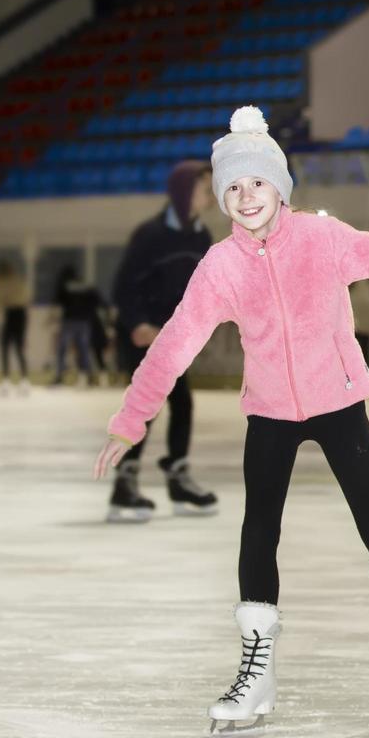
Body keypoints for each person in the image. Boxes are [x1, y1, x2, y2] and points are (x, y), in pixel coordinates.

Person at [94, 106, 369, 730]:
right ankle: (257, 668)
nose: (246, 196)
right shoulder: (220, 266)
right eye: (233, 187)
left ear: (280, 183)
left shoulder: (323, 240)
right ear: (222, 198)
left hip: (338, 401)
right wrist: (132, 418)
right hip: (271, 410)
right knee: (259, 530)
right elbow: (173, 343)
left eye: (257, 182)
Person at [106, 160, 220, 523]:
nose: (211, 195)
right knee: (147, 408)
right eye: (205, 188)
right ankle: (125, 483)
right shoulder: (151, 235)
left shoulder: (201, 237)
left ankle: (178, 478)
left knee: (182, 404)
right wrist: (138, 322)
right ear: (185, 191)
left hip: (171, 337)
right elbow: (124, 286)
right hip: (140, 336)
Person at [52, 264, 102, 387]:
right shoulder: (84, 285)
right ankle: (86, 376)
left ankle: (60, 375)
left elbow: (58, 299)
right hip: (84, 321)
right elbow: (96, 299)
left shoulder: (64, 286)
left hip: (69, 320)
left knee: (62, 349)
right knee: (83, 349)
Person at [0, 257, 31, 396]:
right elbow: (26, 297)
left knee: (6, 346)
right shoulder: (18, 279)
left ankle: (7, 380)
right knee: (18, 348)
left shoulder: (2, 281)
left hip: (13, 314)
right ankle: (23, 380)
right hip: (20, 314)